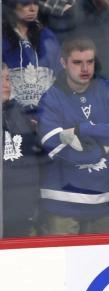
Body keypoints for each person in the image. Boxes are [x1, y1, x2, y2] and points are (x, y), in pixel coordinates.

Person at [37, 36, 109, 235]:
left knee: (103, 263)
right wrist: (102, 148)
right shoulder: (51, 98)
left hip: (105, 198)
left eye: (90, 62)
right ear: (63, 63)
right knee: (63, 264)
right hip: (63, 202)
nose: (85, 69)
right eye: (77, 62)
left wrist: (81, 130)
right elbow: (57, 147)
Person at [2, 63, 40, 238]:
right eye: (0, 80)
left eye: (8, 78)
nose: (6, 84)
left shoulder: (19, 112)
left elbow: (32, 160)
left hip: (22, 210)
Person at [2, 0, 61, 111]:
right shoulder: (3, 38)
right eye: (26, 4)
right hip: (12, 113)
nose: (33, 9)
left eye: (36, 3)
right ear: (13, 6)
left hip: (46, 110)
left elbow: (58, 73)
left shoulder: (47, 36)